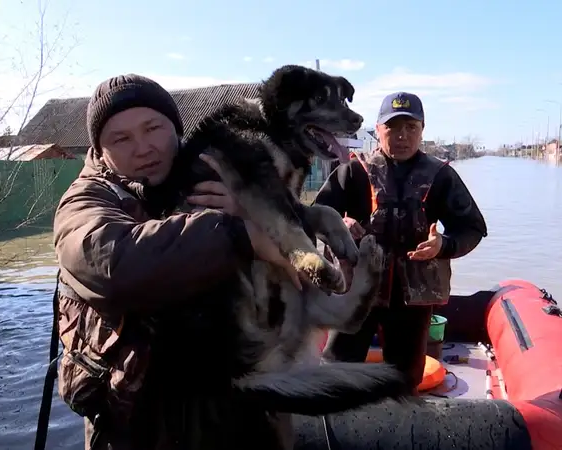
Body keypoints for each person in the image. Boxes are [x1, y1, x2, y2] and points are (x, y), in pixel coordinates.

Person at [52, 74, 302, 450]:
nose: (143, 147)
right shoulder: (85, 201)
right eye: (121, 139)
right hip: (140, 429)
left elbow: (305, 254)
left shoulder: (221, 170)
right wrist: (239, 234)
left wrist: (252, 212)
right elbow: (116, 263)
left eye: (153, 128)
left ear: (176, 127)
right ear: (100, 151)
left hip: (244, 414)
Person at [314, 91, 488, 393]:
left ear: (422, 130)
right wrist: (339, 225)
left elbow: (472, 228)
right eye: (393, 127)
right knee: (337, 368)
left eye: (411, 127)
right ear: (379, 129)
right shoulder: (353, 171)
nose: (402, 136)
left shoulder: (441, 177)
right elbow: (316, 216)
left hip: (412, 299)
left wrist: (443, 245)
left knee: (406, 377)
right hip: (357, 290)